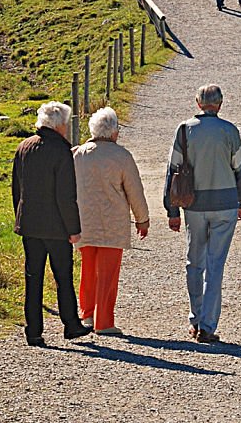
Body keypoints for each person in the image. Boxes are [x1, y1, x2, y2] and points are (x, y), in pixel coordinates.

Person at [164, 84, 241, 343]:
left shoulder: (184, 130)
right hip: (225, 205)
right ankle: (208, 326)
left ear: (198, 103)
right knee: (215, 266)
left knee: (194, 263)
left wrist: (172, 210)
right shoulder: (230, 131)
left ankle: (195, 318)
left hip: (194, 206)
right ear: (220, 104)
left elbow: (173, 171)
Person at [11, 101, 93, 347]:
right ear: (59, 126)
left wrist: (20, 216)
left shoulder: (23, 147)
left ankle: (33, 330)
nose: (67, 129)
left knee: (32, 277)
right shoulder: (61, 152)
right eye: (66, 124)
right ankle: (71, 324)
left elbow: (17, 188)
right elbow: (65, 195)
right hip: (56, 227)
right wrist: (73, 229)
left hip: (30, 225)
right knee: (63, 277)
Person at [72, 108, 149, 336]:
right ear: (114, 131)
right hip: (112, 222)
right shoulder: (122, 156)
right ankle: (104, 322)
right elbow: (135, 191)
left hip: (84, 221)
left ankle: (86, 314)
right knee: (108, 273)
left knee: (87, 270)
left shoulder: (78, 154)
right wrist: (142, 219)